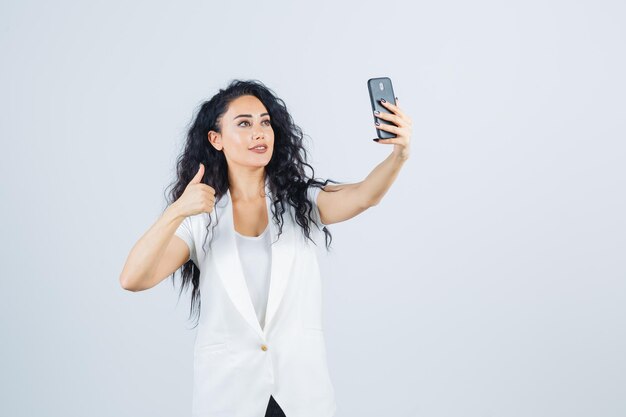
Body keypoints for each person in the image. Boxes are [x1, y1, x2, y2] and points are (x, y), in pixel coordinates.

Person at [119, 79, 412, 417]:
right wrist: (176, 211)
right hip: (229, 398)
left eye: (265, 122)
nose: (259, 132)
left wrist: (400, 154)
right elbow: (133, 278)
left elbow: (364, 195)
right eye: (244, 123)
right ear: (216, 139)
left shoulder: (301, 203)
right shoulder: (200, 219)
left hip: (302, 396)